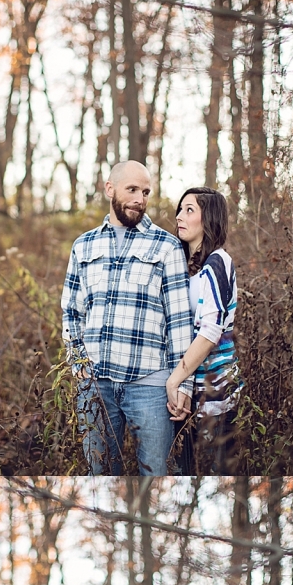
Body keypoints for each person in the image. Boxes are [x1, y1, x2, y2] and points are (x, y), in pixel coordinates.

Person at [61, 161, 195, 475]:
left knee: (156, 475)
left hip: (149, 386)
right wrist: (78, 360)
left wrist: (182, 385)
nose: (140, 198)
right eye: (132, 189)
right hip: (96, 385)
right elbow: (71, 310)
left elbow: (179, 321)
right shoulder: (84, 245)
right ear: (110, 189)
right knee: (102, 473)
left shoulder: (167, 247)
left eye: (146, 192)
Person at [165, 188, 243, 475]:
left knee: (218, 475)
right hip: (189, 395)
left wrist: (174, 380)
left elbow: (210, 332)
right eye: (180, 209)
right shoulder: (190, 267)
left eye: (189, 210)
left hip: (215, 397)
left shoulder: (218, 262)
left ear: (208, 219)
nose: (179, 217)